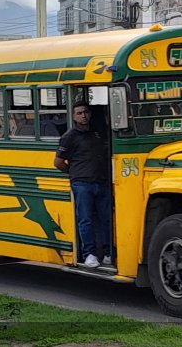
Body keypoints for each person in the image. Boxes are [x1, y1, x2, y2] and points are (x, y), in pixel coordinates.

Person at [54, 101, 112, 268]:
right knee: (85, 220)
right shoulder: (69, 136)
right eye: (79, 113)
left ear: (90, 114)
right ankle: (89, 254)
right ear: (73, 116)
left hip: (101, 181)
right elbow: (58, 162)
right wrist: (74, 174)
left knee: (106, 219)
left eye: (85, 112)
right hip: (82, 184)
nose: (83, 115)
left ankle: (108, 253)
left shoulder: (97, 133)